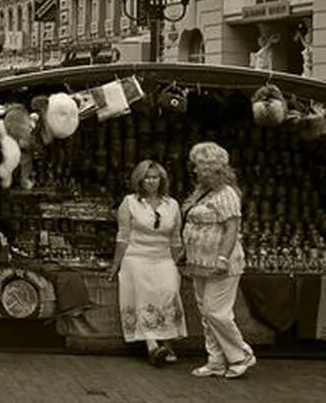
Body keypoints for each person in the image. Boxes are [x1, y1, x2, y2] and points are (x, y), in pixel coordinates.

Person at [181, 141, 255, 379]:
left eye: (197, 166)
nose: (193, 170)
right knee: (206, 312)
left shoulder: (227, 193)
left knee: (216, 312)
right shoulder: (202, 192)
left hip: (220, 261)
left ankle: (240, 354)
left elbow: (232, 229)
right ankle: (215, 360)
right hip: (199, 261)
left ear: (209, 167)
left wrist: (222, 258)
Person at [108, 160, 186, 366]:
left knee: (169, 293)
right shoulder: (130, 202)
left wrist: (179, 259)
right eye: (147, 178)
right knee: (144, 296)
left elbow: (176, 237)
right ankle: (152, 346)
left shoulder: (172, 205)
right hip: (136, 256)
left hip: (163, 257)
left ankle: (167, 343)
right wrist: (116, 264)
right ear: (140, 181)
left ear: (162, 180)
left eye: (155, 177)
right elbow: (123, 236)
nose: (151, 181)